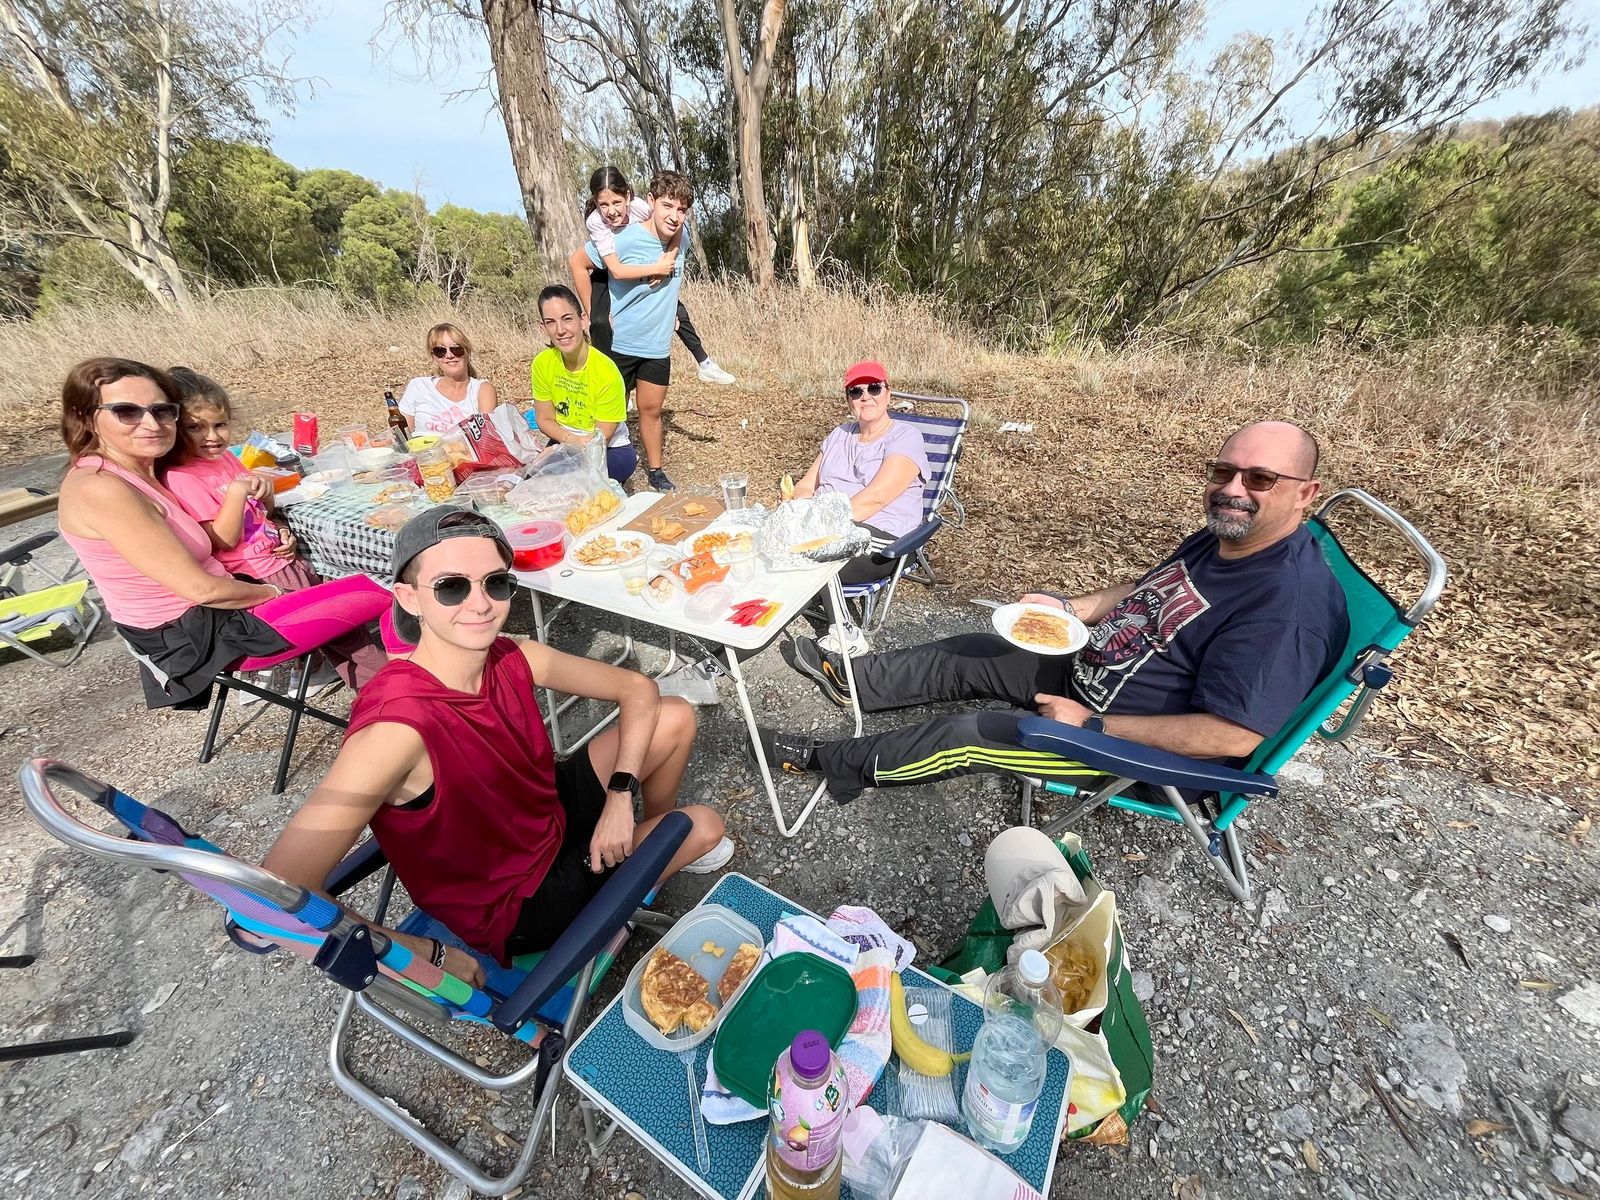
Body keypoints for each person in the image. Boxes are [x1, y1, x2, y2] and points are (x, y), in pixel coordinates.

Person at [758, 420, 1350, 804]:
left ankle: (835, 763)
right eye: (1224, 471)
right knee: (974, 648)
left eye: (1261, 477)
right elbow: (1148, 591)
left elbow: (1232, 735)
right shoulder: (1229, 534)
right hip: (1086, 671)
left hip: (1117, 740)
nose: (1233, 488)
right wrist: (1069, 608)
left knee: (968, 734)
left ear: (1305, 492)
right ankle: (853, 682)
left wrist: (1092, 725)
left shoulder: (1287, 607)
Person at [260, 508, 734, 977]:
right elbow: (271, 898)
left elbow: (639, 689)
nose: (481, 603)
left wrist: (619, 796)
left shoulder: (511, 654)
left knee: (673, 715)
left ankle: (638, 848)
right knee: (703, 826)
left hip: (542, 813)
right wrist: (421, 953)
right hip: (519, 904)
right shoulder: (396, 730)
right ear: (408, 598)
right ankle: (647, 855)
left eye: (495, 582)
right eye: (451, 586)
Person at [55, 358, 388, 710]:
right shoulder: (101, 488)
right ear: (86, 416)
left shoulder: (142, 472)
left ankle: (386, 692)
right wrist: (277, 592)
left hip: (219, 604)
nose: (151, 423)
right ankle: (398, 705)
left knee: (349, 594)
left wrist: (276, 529)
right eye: (127, 411)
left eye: (162, 411)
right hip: (194, 633)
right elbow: (201, 589)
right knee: (376, 591)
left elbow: (238, 528)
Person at [573, 170, 696, 492]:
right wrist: (593, 313)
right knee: (608, 413)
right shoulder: (622, 239)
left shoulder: (682, 238)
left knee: (651, 410)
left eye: (681, 210)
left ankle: (655, 471)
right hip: (622, 342)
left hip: (657, 346)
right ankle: (589, 470)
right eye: (667, 206)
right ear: (650, 202)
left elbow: (674, 256)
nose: (674, 216)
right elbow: (578, 263)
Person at [569, 165, 735, 387]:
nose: (611, 211)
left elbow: (673, 225)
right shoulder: (596, 223)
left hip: (637, 265)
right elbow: (614, 269)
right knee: (600, 322)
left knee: (677, 310)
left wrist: (668, 257)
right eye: (603, 205)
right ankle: (604, 379)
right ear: (596, 204)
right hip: (607, 267)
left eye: (617, 203)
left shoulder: (641, 208)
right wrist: (592, 312)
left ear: (628, 197)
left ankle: (704, 362)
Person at [789, 360, 930, 585]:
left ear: (888, 393)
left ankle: (839, 620)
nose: (865, 396)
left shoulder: (905, 437)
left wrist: (817, 522)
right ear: (848, 400)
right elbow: (806, 486)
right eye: (856, 391)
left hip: (878, 539)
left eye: (874, 387)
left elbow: (876, 499)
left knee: (802, 564)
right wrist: (796, 512)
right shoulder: (839, 434)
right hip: (822, 527)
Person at [526, 284, 638, 485]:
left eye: (567, 319)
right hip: (565, 440)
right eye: (551, 322)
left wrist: (565, 451)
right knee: (529, 479)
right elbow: (544, 419)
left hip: (608, 448)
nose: (560, 330)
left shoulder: (606, 370)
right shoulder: (542, 364)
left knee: (575, 484)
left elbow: (601, 437)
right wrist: (565, 445)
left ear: (583, 319)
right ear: (542, 327)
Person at [397, 323, 499, 435]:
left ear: (468, 353)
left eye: (456, 349)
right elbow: (401, 435)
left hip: (463, 452)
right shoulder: (418, 386)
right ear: (434, 357)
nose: (449, 355)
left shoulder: (482, 390)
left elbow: (487, 437)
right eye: (440, 351)